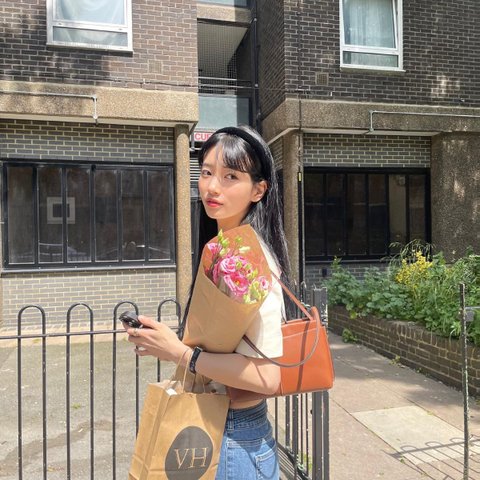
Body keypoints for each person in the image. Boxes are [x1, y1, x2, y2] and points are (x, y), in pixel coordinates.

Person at [123, 125, 291, 479]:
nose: (212, 187)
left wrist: (180, 353)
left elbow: (268, 377)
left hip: (235, 440)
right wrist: (168, 342)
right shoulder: (226, 248)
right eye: (207, 172)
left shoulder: (250, 261)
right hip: (219, 429)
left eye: (231, 176)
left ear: (259, 189)